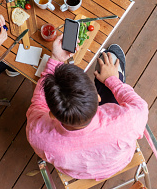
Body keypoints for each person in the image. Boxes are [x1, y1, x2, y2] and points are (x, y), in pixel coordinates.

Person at [26, 34, 148, 180]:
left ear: (51, 114)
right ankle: (106, 80)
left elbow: (38, 104)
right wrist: (112, 80)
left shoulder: (37, 135)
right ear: (98, 99)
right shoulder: (128, 120)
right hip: (118, 161)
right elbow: (139, 105)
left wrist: (56, 59)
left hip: (80, 172)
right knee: (110, 59)